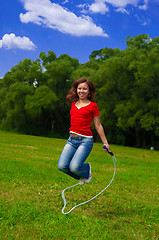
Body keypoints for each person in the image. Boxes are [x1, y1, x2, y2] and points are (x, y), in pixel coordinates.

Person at [58, 77, 111, 185]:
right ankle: (81, 177)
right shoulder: (73, 104)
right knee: (62, 166)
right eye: (79, 88)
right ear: (76, 90)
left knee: (74, 167)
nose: (81, 91)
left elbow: (98, 125)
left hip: (85, 141)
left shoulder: (93, 106)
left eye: (85, 89)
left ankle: (86, 168)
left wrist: (105, 142)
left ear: (89, 91)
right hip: (71, 140)